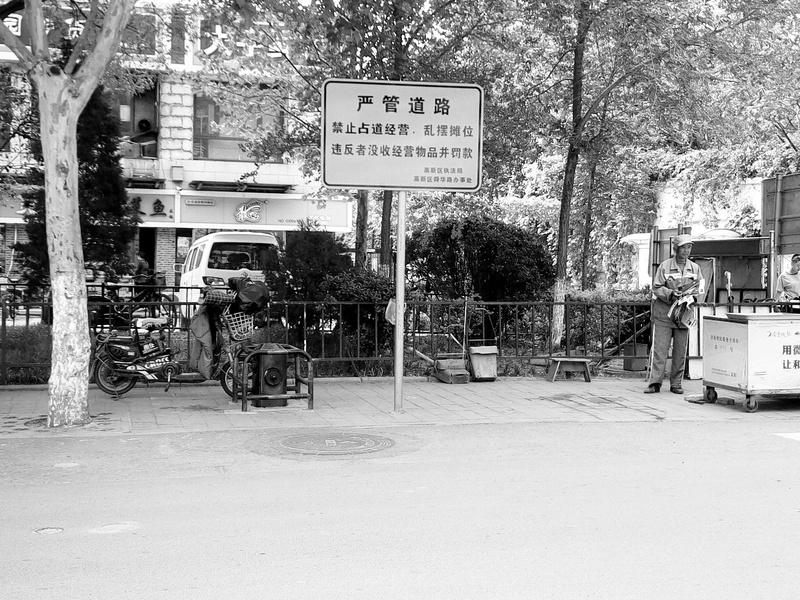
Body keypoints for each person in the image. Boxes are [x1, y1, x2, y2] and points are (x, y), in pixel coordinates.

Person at [645, 234, 705, 395]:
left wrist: (692, 296)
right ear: (675, 249)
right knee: (660, 350)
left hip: (683, 315)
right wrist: (671, 293)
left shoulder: (695, 268)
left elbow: (700, 288)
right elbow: (656, 287)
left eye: (689, 247)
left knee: (680, 351)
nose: (686, 251)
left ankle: (676, 384)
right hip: (664, 315)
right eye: (683, 247)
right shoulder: (664, 266)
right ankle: (655, 383)